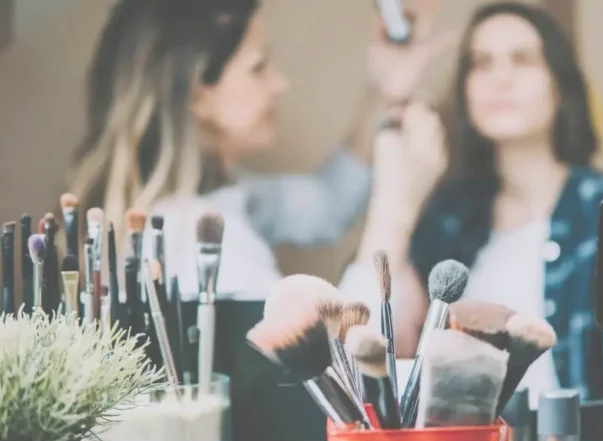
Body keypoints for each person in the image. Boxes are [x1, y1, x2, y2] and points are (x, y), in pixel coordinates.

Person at [340, 1, 603, 404]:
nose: (499, 77)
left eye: (522, 60)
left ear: (560, 85)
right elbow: (362, 359)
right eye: (481, 63)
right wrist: (395, 201)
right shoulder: (448, 217)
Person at [68, 0, 454, 297]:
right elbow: (329, 370)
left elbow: (325, 205)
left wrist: (383, 88)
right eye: (259, 66)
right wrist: (397, 211)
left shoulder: (223, 193)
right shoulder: (190, 237)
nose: (280, 84)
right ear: (195, 93)